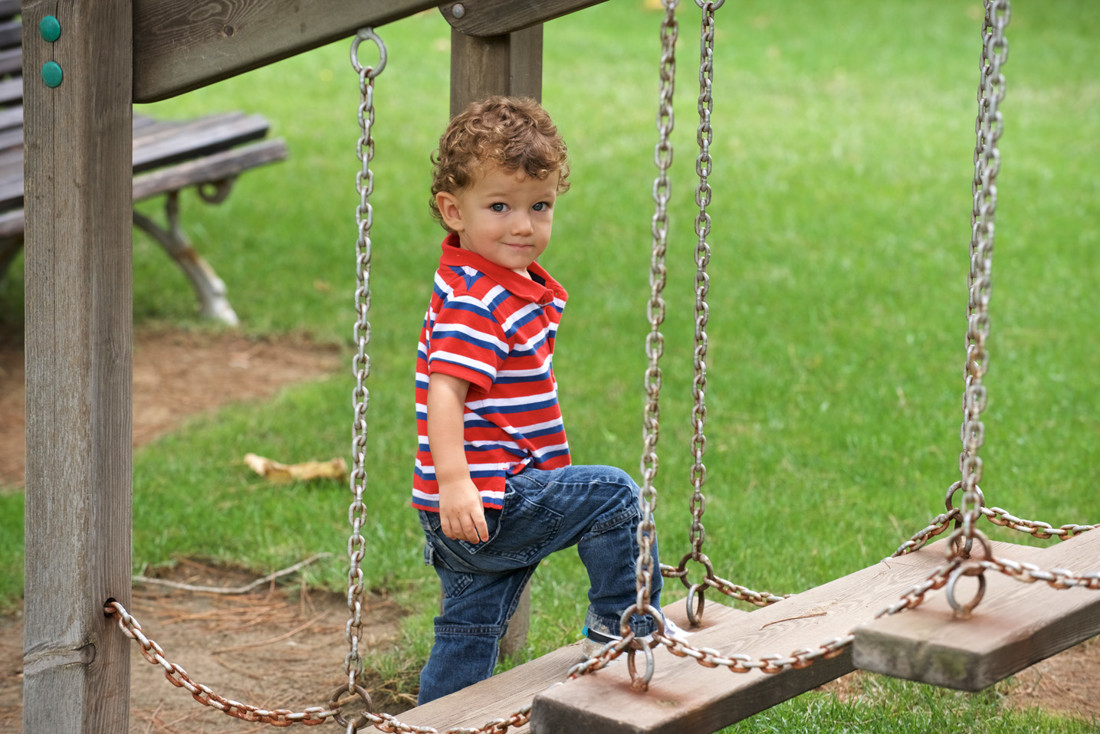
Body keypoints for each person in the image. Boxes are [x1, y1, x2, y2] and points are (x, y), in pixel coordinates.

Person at [412, 96, 678, 705]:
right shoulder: (477, 299)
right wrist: (456, 482)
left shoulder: (489, 283)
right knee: (615, 496)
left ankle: (437, 718)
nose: (523, 225)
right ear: (453, 211)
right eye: (499, 207)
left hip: (468, 507)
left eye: (540, 205)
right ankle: (621, 629)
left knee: (469, 627)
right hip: (489, 498)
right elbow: (444, 392)